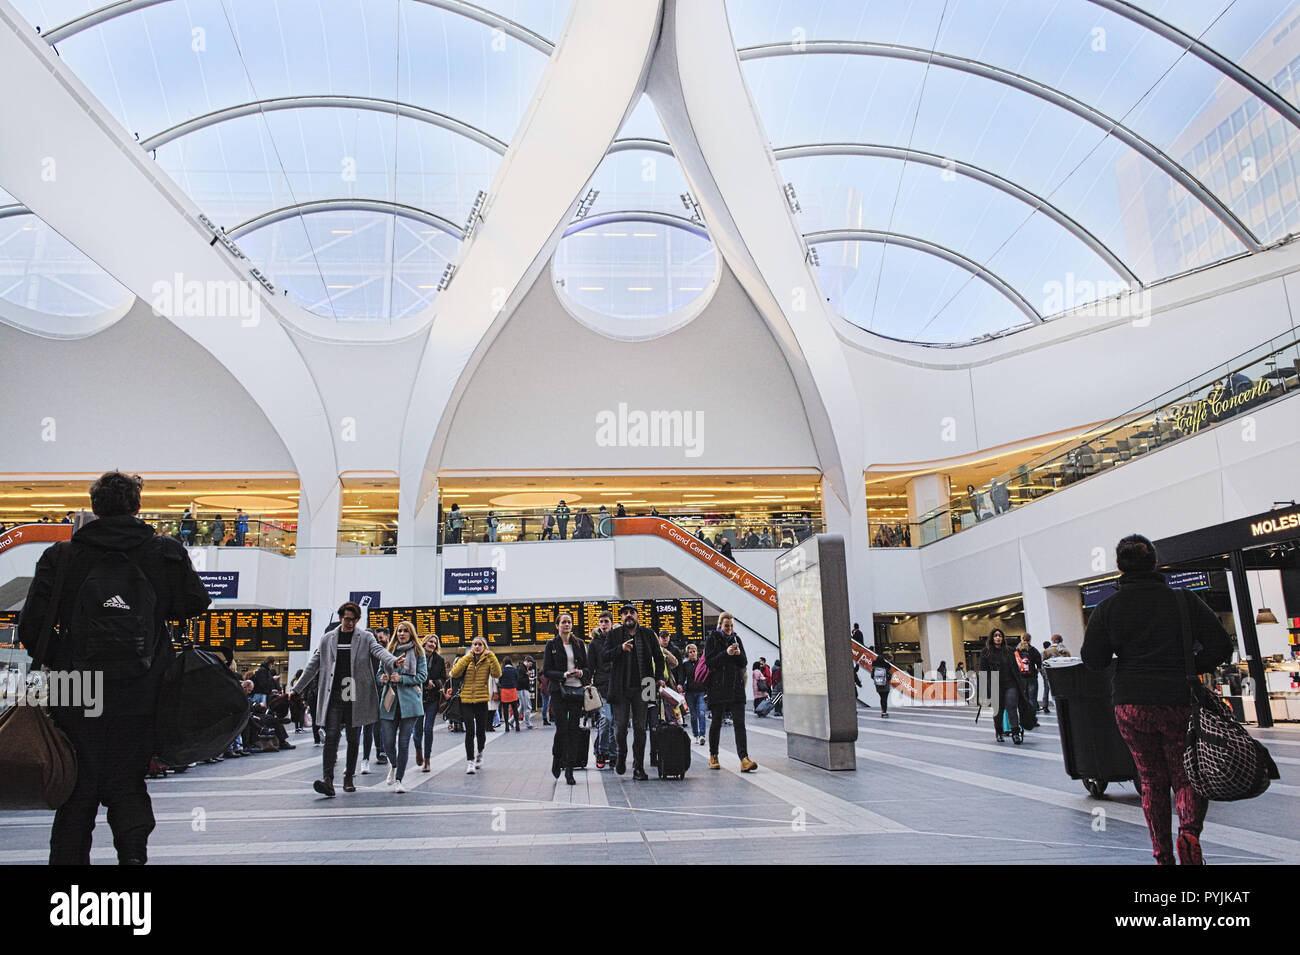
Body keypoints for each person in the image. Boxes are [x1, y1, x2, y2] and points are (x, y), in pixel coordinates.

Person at [17, 471, 211, 865]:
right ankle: (133, 858)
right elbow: (196, 602)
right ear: (136, 505)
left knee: (76, 781)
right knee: (127, 779)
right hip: (142, 686)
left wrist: (67, 659)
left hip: (77, 685)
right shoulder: (163, 552)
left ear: (95, 508)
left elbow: (31, 628)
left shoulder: (62, 555)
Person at [1082, 534, 1233, 866]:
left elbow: (1093, 659)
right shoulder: (1183, 601)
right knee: (1186, 775)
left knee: (1151, 779)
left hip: (1132, 702)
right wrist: (1193, 665)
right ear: (1154, 562)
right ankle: (1189, 833)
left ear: (1119, 566)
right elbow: (1222, 645)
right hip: (1177, 698)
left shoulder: (1107, 607)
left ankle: (1162, 855)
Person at [291, 602, 400, 797]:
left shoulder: (365, 637)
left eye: (353, 619)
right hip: (334, 694)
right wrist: (296, 689)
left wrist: (392, 660)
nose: (349, 623)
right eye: (346, 619)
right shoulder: (328, 639)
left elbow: (378, 651)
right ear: (340, 618)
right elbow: (313, 665)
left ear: (358, 620)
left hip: (355, 694)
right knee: (331, 735)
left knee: (352, 737)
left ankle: (348, 777)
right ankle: (328, 781)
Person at [606, 603, 666, 780]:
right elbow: (604, 655)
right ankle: (621, 754)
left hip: (645, 686)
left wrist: (659, 676)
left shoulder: (647, 634)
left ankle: (638, 767)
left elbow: (659, 657)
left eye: (632, 612)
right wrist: (620, 649)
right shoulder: (614, 635)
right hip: (620, 687)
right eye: (625, 614)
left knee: (640, 728)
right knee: (621, 726)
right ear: (621, 618)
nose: (628, 616)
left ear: (637, 616)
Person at [376, 620, 428, 793]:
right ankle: (394, 764)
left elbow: (422, 676)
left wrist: (403, 679)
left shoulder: (418, 651)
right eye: (399, 631)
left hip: (410, 703)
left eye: (405, 631)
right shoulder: (387, 652)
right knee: (388, 742)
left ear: (411, 633)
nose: (402, 633)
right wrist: (382, 678)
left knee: (404, 743)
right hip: (389, 701)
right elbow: (378, 674)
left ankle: (399, 779)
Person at [704, 612, 757, 772]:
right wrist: (725, 653)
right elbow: (710, 662)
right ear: (720, 625)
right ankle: (713, 755)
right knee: (716, 723)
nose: (729, 629)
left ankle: (744, 758)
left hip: (736, 688)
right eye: (727, 626)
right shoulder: (712, 639)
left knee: (740, 724)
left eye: (732, 626)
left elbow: (744, 662)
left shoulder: (736, 639)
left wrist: (739, 654)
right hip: (718, 688)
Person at [543, 613, 590, 785]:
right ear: (557, 626)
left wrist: (582, 672)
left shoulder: (579, 644)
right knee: (562, 729)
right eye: (563, 622)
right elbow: (546, 670)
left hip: (576, 691)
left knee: (573, 730)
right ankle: (557, 758)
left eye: (569, 622)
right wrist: (563, 674)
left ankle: (569, 769)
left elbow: (587, 667)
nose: (566, 625)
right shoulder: (551, 645)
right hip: (559, 691)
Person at [449, 636, 501, 774]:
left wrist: (492, 656)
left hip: (482, 700)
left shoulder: (488, 660)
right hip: (466, 699)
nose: (477, 647)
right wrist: (467, 658)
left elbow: (497, 673)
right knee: (470, 731)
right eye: (474, 644)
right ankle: (470, 761)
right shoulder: (466, 660)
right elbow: (454, 673)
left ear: (484, 647)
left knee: (480, 731)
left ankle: (480, 752)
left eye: (480, 644)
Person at [982, 629, 1032, 743]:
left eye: (1000, 635)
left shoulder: (1009, 650)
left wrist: (1020, 685)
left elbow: (1015, 668)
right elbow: (983, 671)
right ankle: (999, 732)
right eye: (995, 636)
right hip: (995, 683)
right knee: (998, 710)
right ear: (992, 638)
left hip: (1010, 682)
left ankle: (1015, 733)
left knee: (1011, 707)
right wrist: (984, 690)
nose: (998, 638)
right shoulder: (986, 652)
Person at [586, 610, 617, 766]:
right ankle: (602, 751)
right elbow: (590, 666)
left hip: (617, 686)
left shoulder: (618, 640)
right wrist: (587, 684)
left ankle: (612, 754)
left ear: (612, 623)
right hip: (602, 686)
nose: (604, 624)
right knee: (606, 719)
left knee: (614, 722)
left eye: (606, 621)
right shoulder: (594, 644)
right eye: (602, 622)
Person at [414, 635, 447, 771]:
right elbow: (412, 672)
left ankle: (427, 759)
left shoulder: (439, 660)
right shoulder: (416, 656)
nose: (432, 644)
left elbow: (443, 678)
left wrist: (436, 683)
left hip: (433, 698)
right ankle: (418, 749)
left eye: (435, 642)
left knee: (428, 729)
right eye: (430, 641)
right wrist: (424, 682)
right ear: (424, 642)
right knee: (417, 730)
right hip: (417, 697)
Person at [682, 642, 708, 744]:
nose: (692, 653)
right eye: (690, 652)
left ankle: (702, 735)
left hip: (701, 691)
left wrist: (708, 690)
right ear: (687, 654)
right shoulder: (685, 665)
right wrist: (680, 685)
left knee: (701, 713)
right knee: (693, 715)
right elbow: (682, 677)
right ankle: (695, 734)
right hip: (689, 692)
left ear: (697, 652)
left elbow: (707, 676)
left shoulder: (702, 663)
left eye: (694, 651)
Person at [1041, 633, 1071, 712]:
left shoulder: (1047, 651)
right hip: (1063, 674)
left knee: (1053, 691)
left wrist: (1046, 674)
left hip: (1051, 674)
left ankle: (1057, 707)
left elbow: (1044, 664)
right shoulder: (1065, 650)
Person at [1016, 637, 1043, 712]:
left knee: (1024, 697)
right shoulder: (1032, 650)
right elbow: (1038, 659)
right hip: (1032, 676)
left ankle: (1026, 713)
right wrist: (1038, 668)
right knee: (1032, 697)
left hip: (1021, 677)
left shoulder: (1016, 651)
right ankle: (1033, 714)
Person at [498, 656, 521, 731]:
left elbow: (500, 681)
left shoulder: (502, 670)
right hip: (513, 690)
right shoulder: (514, 670)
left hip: (504, 691)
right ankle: (517, 725)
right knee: (515, 709)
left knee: (505, 709)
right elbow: (517, 679)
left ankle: (506, 726)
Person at [872, 652, 893, 717]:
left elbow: (872, 676)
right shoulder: (886, 666)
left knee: (881, 698)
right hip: (885, 684)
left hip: (878, 685)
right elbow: (890, 675)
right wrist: (887, 679)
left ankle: (883, 711)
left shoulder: (875, 667)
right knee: (885, 698)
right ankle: (884, 712)